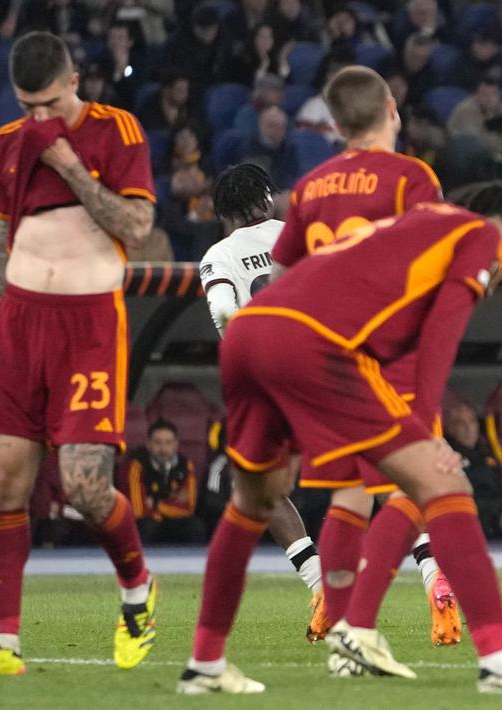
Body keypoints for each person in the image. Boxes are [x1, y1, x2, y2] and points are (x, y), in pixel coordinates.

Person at [178, 181, 502, 695]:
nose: (496, 284)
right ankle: (501, 666)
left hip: (248, 336)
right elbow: (440, 337)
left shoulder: (414, 221)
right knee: (445, 485)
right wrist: (426, 430)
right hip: (315, 346)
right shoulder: (481, 237)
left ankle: (206, 666)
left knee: (252, 502)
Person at [0, 31, 158, 677]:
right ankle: (4, 646)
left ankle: (137, 592)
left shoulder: (116, 132)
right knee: (5, 474)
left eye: (47, 103)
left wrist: (70, 164)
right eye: (26, 106)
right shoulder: (6, 145)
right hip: (18, 322)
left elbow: (136, 228)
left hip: (89, 326)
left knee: (84, 485)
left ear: (74, 83)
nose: (37, 119)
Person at [270, 65, 460, 647]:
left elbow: (281, 275)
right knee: (414, 485)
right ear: (391, 110)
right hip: (393, 353)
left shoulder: (311, 187)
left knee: (349, 489)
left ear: (334, 123)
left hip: (331, 361)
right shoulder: (410, 178)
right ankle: (431, 590)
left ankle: (334, 599)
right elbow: (434, 265)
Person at [199, 163, 326, 622]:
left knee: (257, 487)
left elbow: (221, 311)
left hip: (267, 373)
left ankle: (318, 581)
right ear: (267, 198)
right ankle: (431, 566)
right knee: (377, 465)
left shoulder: (220, 254)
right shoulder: (303, 232)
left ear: (225, 214)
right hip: (325, 362)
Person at [444, 399, 502, 538]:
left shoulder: (489, 456)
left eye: (472, 422)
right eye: (461, 424)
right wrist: (498, 510)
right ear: (451, 429)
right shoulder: (447, 457)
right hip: (471, 521)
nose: (468, 428)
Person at [125, 419, 205, 544]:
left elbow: (189, 509)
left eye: (168, 442)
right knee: (144, 526)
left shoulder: (185, 465)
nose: (163, 449)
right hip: (149, 524)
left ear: (176, 444)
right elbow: (139, 511)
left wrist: (156, 504)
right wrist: (172, 500)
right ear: (148, 444)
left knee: (195, 526)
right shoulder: (137, 465)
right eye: (157, 442)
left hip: (174, 523)